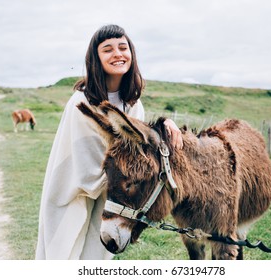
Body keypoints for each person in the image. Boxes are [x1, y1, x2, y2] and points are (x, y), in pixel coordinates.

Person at [35, 24, 182, 260]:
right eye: (107, 49)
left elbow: (138, 148)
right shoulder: (81, 102)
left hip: (111, 195)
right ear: (95, 58)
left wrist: (165, 123)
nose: (117, 54)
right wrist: (124, 175)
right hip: (74, 193)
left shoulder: (133, 104)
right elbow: (87, 164)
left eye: (123, 47)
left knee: (97, 255)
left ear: (131, 54)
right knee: (66, 253)